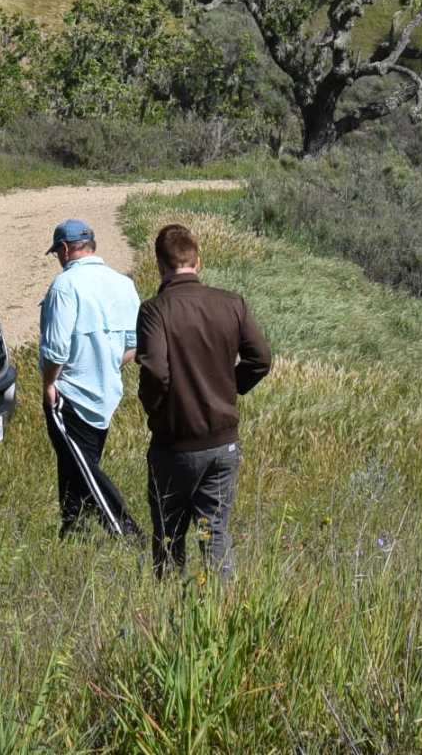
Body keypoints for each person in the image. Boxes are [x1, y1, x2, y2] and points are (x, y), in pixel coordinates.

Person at [137, 222, 271, 577]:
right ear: (198, 262)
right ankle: (220, 615)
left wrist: (156, 409)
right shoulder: (232, 304)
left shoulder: (155, 311)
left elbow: (154, 372)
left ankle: (168, 614)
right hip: (223, 444)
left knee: (169, 538)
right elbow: (261, 359)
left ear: (161, 266)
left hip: (174, 444)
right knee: (214, 536)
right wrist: (230, 386)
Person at [38, 217, 143, 540]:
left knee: (86, 472)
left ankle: (129, 535)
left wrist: (49, 384)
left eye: (58, 251)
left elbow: (56, 349)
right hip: (106, 392)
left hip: (70, 393)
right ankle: (72, 531)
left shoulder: (64, 286)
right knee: (75, 464)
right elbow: (134, 345)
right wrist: (107, 365)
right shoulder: (122, 283)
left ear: (66, 249)